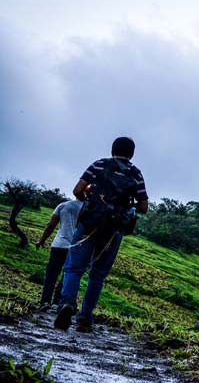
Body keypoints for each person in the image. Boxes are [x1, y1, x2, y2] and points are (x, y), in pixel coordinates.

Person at [54, 137, 148, 332]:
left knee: (73, 268)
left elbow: (77, 190)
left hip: (88, 224)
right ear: (131, 154)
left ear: (112, 150)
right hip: (113, 231)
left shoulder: (99, 165)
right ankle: (84, 318)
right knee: (97, 275)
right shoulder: (136, 174)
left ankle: (67, 303)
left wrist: (90, 203)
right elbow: (144, 206)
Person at [35, 198, 84, 311]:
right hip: (76, 248)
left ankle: (45, 302)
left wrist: (41, 240)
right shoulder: (89, 208)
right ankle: (57, 303)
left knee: (51, 275)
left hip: (59, 245)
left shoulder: (63, 205)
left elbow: (51, 225)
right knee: (67, 276)